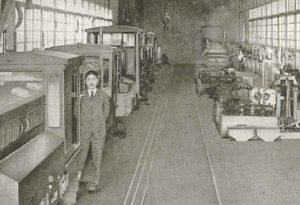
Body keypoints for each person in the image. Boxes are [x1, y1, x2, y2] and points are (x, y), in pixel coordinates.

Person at [78, 70, 110, 194]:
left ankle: (92, 184)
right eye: (88, 80)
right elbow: (78, 112)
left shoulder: (103, 96)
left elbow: (106, 111)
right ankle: (77, 181)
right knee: (81, 158)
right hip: (85, 132)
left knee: (97, 158)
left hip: (98, 133)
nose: (91, 82)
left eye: (93, 79)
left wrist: (100, 122)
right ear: (85, 82)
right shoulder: (81, 96)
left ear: (97, 81)